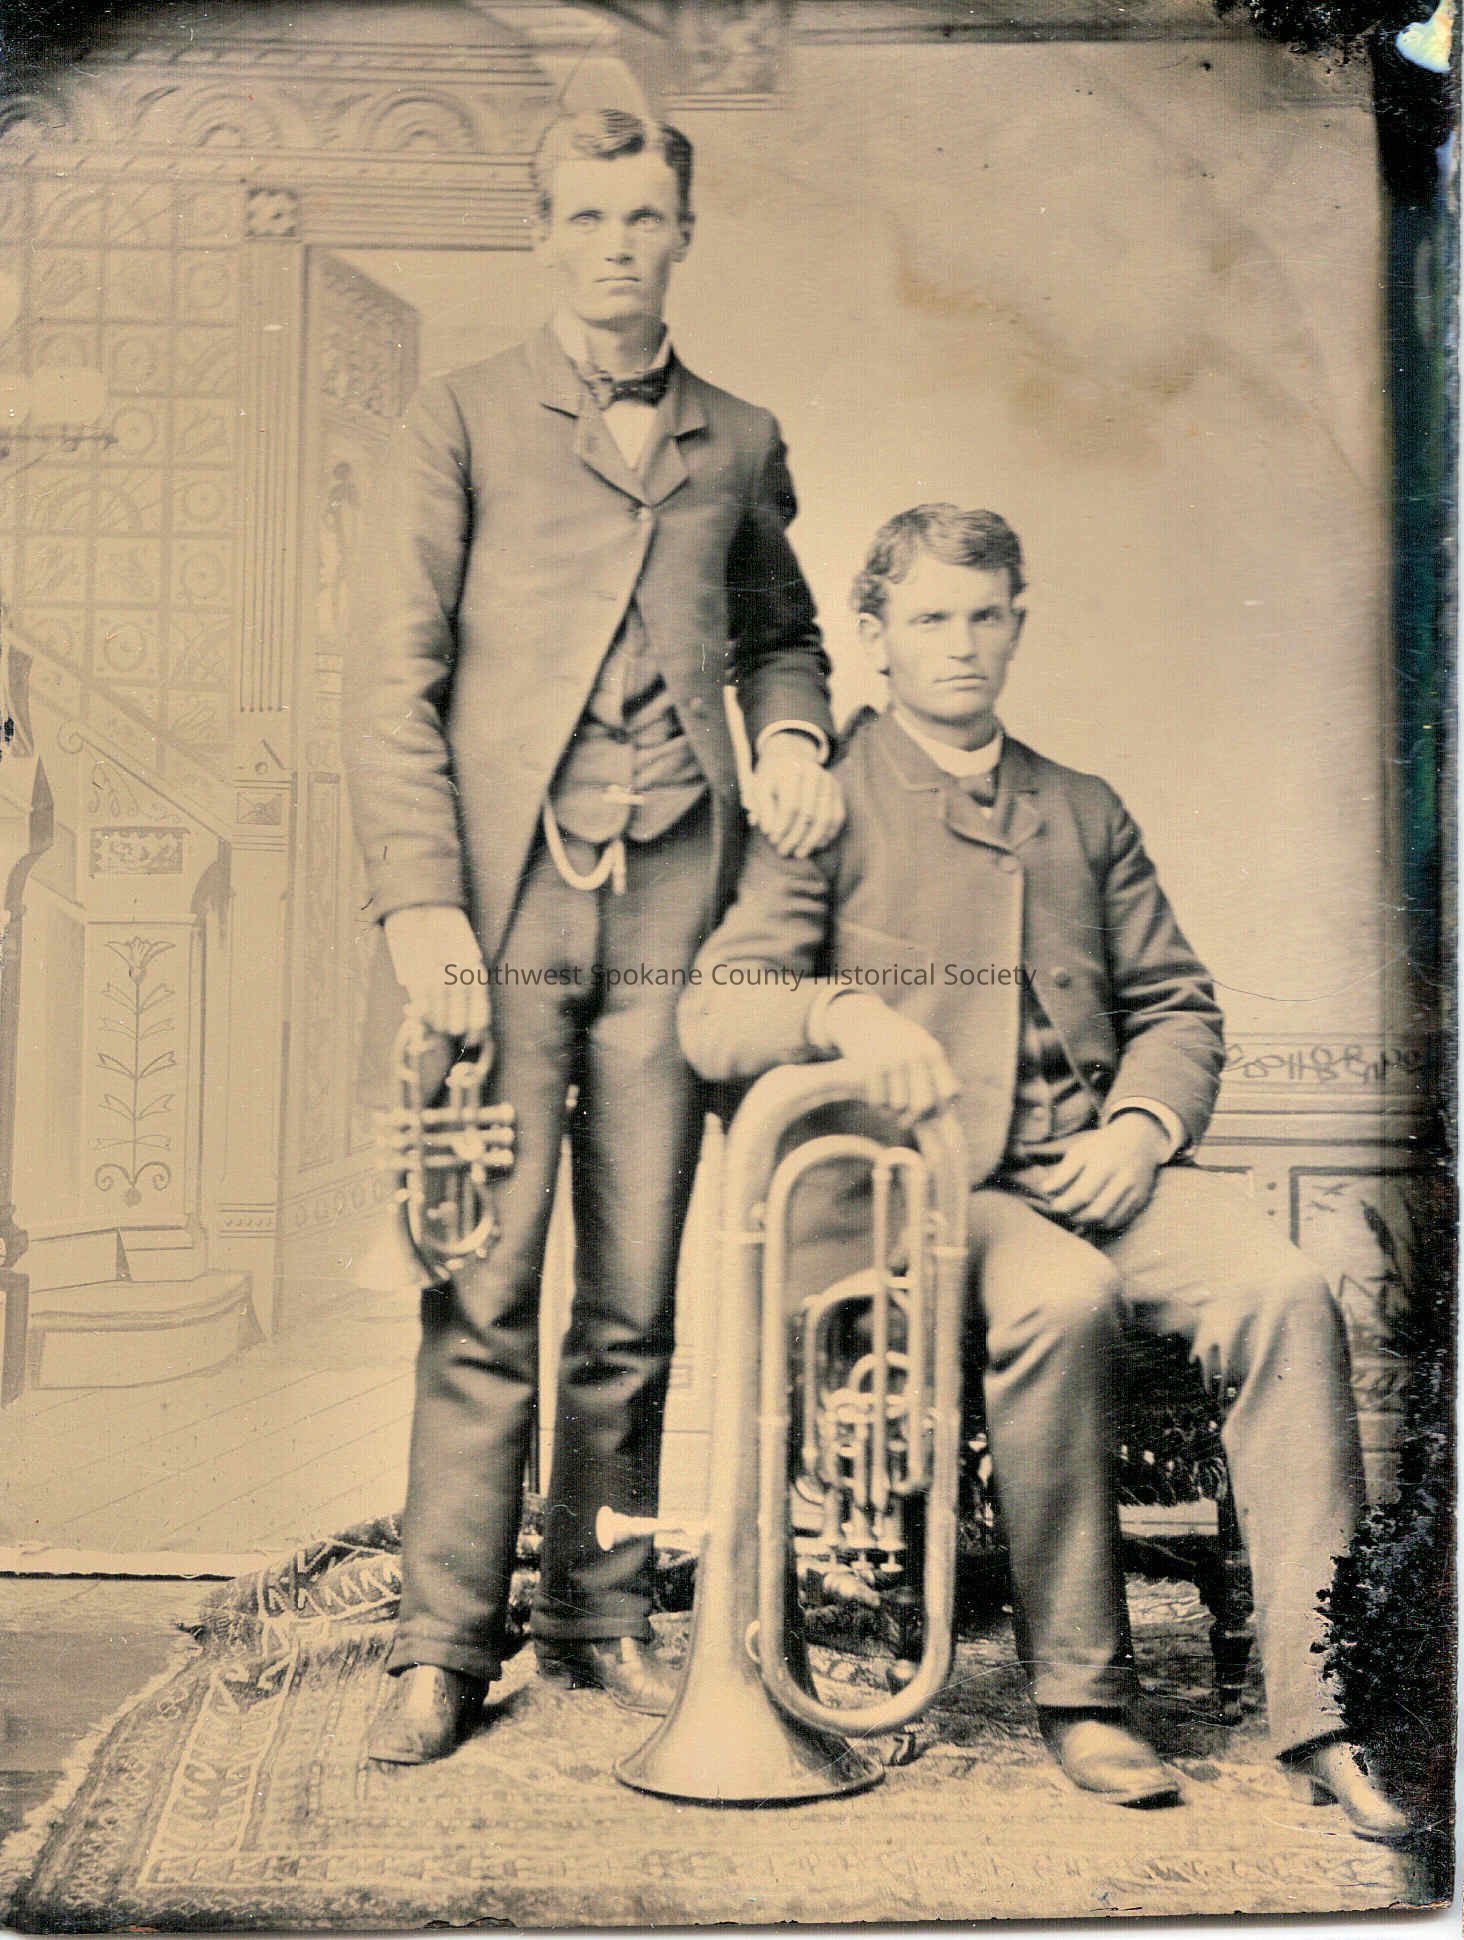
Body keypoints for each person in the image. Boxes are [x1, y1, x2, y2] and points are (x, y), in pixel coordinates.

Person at [677, 503, 1410, 1842]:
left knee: (1286, 1294)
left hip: (1099, 1169)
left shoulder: (1081, 807)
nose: (960, 645)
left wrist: (1139, 1130)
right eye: (930, 619)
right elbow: (717, 1012)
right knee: (1059, 1298)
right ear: (875, 636)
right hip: (933, 1197)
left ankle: (1334, 1709)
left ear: (1018, 624)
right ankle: (1085, 1698)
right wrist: (840, 1012)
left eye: (984, 616)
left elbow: (1178, 1005)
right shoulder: (829, 806)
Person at [344, 108, 842, 1764]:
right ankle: (441, 1644)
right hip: (502, 914)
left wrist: (791, 738)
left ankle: (600, 1615)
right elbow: (390, 683)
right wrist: (422, 905)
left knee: (632, 1297)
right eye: (587, 217)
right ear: (544, 232)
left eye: (644, 217)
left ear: (684, 230)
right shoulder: (460, 417)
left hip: (678, 914)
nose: (617, 245)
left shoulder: (740, 437)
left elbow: (782, 638)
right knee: (482, 1288)